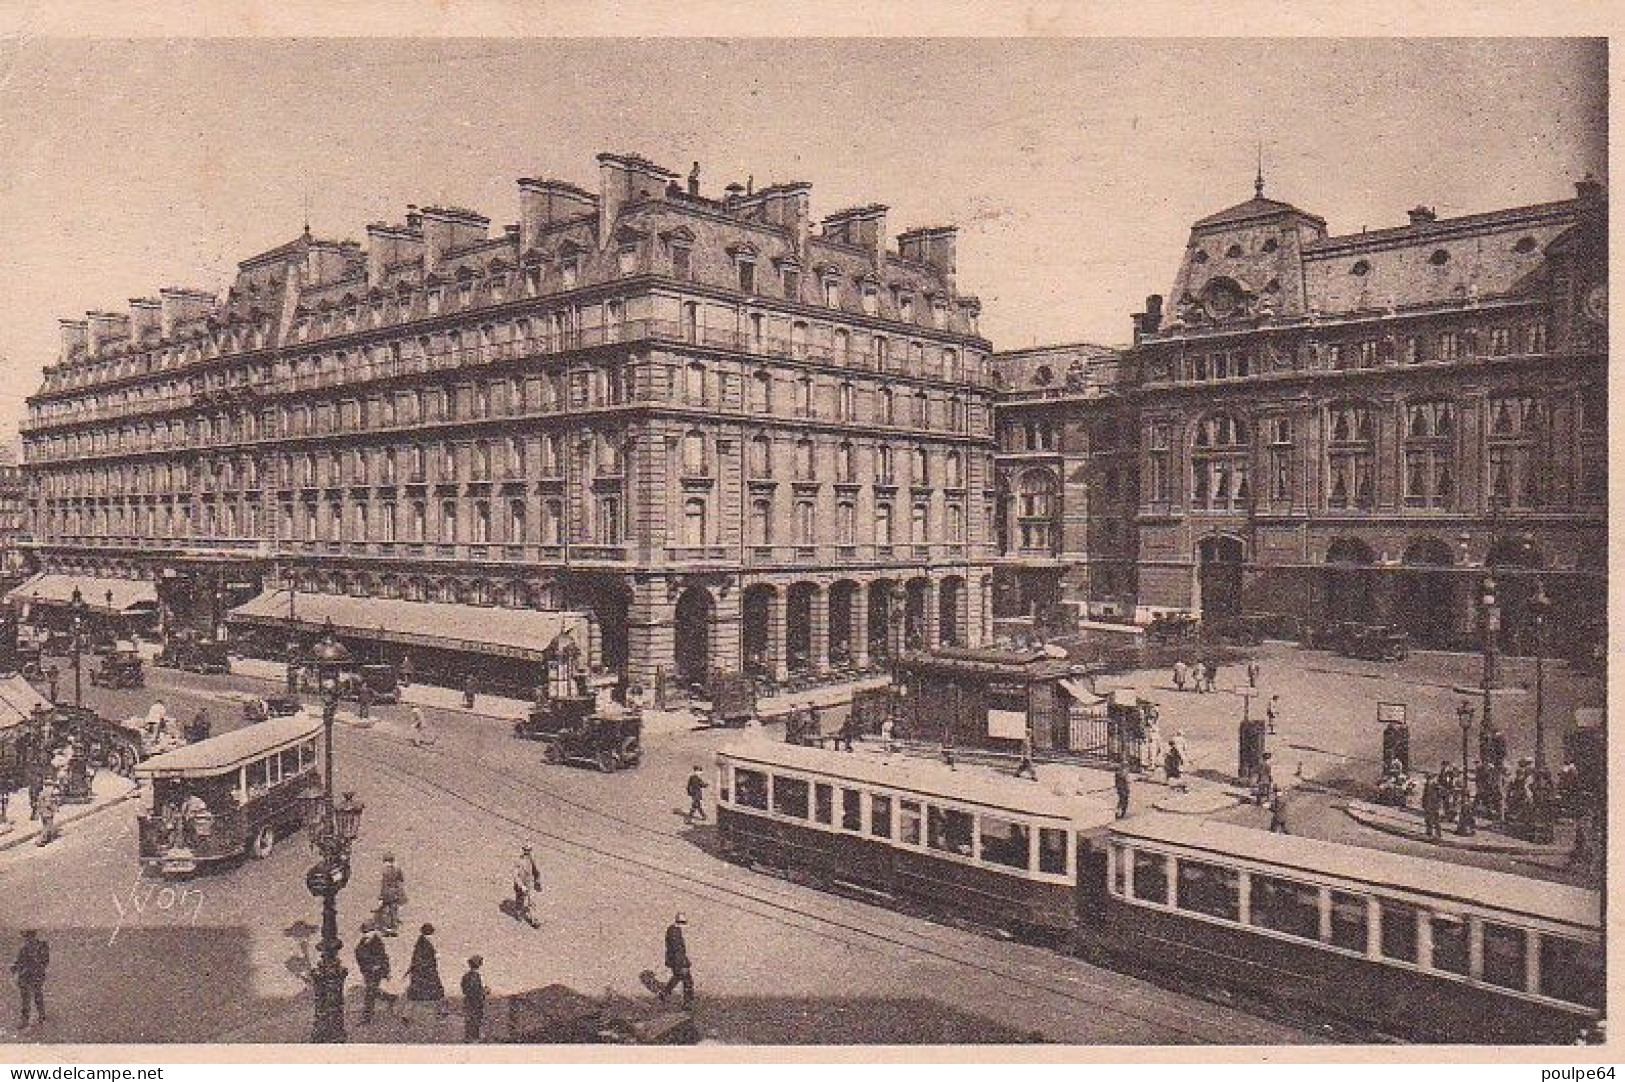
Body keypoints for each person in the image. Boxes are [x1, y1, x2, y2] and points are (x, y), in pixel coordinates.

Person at [354, 921, 396, 1023]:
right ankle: (389, 997)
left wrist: (386, 971)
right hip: (367, 971)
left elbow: (384, 957)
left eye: (369, 931)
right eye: (365, 932)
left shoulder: (378, 942)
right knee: (371, 991)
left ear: (373, 931)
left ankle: (367, 1018)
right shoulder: (362, 942)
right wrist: (365, 965)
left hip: (377, 971)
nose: (367, 934)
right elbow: (358, 953)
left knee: (370, 992)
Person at [404, 923, 448, 1021]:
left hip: (423, 973)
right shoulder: (424, 943)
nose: (431, 935)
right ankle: (441, 1013)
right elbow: (420, 960)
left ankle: (406, 1015)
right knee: (437, 992)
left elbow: (416, 960)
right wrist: (434, 957)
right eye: (430, 933)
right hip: (425, 973)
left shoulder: (422, 942)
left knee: (415, 995)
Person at [12, 930, 47, 1029]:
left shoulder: (42, 946)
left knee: (37, 996)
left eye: (28, 937)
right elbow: (19, 960)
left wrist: (35, 967)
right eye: (26, 937)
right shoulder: (24, 948)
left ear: (33, 936)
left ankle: (41, 1016)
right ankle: (25, 1020)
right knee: (25, 998)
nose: (27, 939)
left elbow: (45, 961)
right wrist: (15, 967)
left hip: (36, 975)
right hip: (25, 976)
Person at [658, 914, 694, 1006]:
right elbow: (678, 950)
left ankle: (664, 993)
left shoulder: (673, 930)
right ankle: (687, 1003)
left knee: (677, 977)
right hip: (678, 961)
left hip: (674, 960)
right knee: (688, 982)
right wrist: (683, 964)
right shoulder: (675, 933)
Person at [512, 844, 542, 928]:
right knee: (520, 900)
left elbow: (536, 870)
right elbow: (515, 876)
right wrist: (521, 886)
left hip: (529, 884)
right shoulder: (518, 861)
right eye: (526, 850)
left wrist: (537, 881)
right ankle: (518, 912)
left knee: (531, 902)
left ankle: (534, 920)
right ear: (523, 850)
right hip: (520, 886)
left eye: (529, 850)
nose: (527, 852)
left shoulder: (532, 859)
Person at [460, 956, 488, 1043]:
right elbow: (475, 991)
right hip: (475, 1002)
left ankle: (469, 1037)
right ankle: (474, 1038)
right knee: (475, 1019)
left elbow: (465, 990)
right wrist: (484, 991)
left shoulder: (466, 976)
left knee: (470, 1020)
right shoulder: (475, 976)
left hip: (468, 1001)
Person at [377, 854, 406, 936]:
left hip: (388, 893)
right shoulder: (398, 869)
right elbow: (401, 880)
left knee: (386, 911)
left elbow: (384, 884)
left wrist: (381, 896)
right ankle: (394, 928)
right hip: (396, 892)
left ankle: (387, 928)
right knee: (394, 910)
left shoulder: (385, 871)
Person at [34, 781, 58, 847]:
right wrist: (54, 809)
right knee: (47, 826)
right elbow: (48, 804)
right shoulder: (48, 793)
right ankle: (41, 840)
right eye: (52, 785)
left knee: (45, 825)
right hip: (47, 812)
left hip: (42, 812)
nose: (53, 787)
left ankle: (48, 838)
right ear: (49, 786)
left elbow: (38, 803)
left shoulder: (41, 792)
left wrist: (38, 812)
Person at [1421, 772, 1443, 840]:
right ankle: (1429, 832)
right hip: (1428, 805)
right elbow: (1424, 795)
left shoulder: (1436, 786)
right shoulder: (1426, 785)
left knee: (1435, 820)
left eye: (1429, 779)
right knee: (1427, 819)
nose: (1428, 780)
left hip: (1434, 805)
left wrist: (1438, 805)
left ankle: (1438, 834)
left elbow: (1440, 796)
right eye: (1427, 779)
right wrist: (1423, 803)